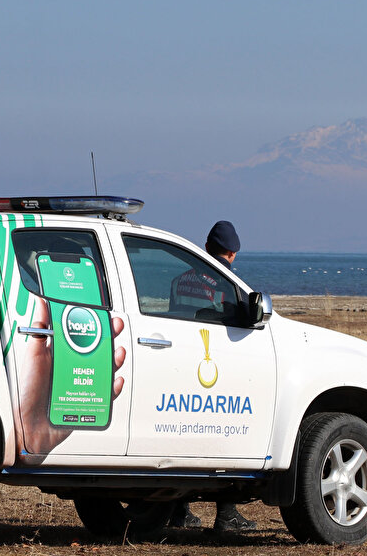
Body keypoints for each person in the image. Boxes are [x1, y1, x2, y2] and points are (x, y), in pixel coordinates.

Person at [168, 220, 258, 534]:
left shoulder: (180, 281)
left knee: (181, 439)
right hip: (215, 366)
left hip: (183, 362)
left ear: (206, 248)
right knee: (225, 439)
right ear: (233, 253)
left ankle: (178, 510)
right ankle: (227, 513)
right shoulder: (227, 281)